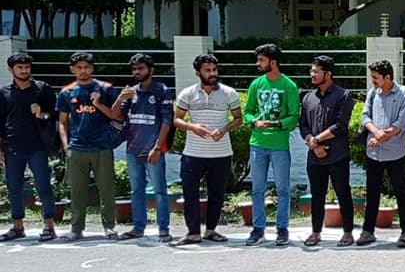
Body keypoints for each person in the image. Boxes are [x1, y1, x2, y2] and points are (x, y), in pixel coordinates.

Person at [172, 55, 243, 246]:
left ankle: (211, 230)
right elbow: (177, 119)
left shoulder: (229, 93)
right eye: (207, 70)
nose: (212, 74)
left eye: (214, 70)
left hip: (221, 153)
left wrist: (224, 129)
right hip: (193, 153)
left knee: (217, 193)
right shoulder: (188, 93)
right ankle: (193, 232)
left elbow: (238, 118)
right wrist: (192, 127)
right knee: (190, 193)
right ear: (198, 73)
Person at [109, 53, 175, 242]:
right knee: (136, 189)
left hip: (153, 149)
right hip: (133, 148)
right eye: (134, 69)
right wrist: (121, 98)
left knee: (160, 190)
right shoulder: (130, 92)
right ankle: (138, 228)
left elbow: (167, 122)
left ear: (150, 70)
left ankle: (164, 229)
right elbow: (116, 116)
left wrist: (157, 147)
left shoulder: (162, 90)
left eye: (141, 68)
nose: (137, 72)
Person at [56, 52, 119, 241]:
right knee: (77, 191)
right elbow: (62, 122)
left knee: (107, 190)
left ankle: (109, 226)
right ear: (72, 69)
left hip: (102, 147)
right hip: (77, 148)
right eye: (79, 67)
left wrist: (98, 103)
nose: (83, 71)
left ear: (92, 68)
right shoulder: (66, 92)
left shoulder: (105, 88)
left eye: (86, 67)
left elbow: (116, 115)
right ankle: (76, 228)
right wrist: (66, 146)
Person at [243, 44, 300, 247]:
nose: (258, 64)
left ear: (273, 62)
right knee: (257, 189)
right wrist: (254, 121)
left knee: (282, 188)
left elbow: (294, 116)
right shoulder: (256, 84)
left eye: (261, 60)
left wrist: (277, 124)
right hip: (257, 143)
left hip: (279, 145)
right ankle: (258, 228)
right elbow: (247, 111)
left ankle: (282, 228)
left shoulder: (289, 86)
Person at [0, 53, 58, 242]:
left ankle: (49, 225)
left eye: (27, 67)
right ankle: (18, 226)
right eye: (20, 67)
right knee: (14, 187)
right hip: (12, 146)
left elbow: (55, 115)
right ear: (11, 70)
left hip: (37, 146)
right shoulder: (4, 93)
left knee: (43, 185)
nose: (24, 70)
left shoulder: (42, 89)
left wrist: (42, 115)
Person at [299, 56, 355, 247]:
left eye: (316, 71)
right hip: (314, 156)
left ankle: (348, 233)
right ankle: (315, 232)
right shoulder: (308, 97)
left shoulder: (344, 95)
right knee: (317, 195)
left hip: (338, 155)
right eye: (311, 71)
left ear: (328, 74)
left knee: (343, 193)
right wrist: (313, 144)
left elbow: (340, 125)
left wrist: (317, 140)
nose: (312, 75)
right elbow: (303, 125)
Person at [360, 60, 405, 248]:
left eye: (376, 77)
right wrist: (375, 132)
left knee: (401, 192)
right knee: (372, 192)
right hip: (373, 152)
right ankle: (368, 231)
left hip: (395, 152)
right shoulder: (373, 93)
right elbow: (365, 116)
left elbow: (401, 124)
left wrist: (381, 137)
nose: (373, 81)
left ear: (388, 77)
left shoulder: (404, 93)